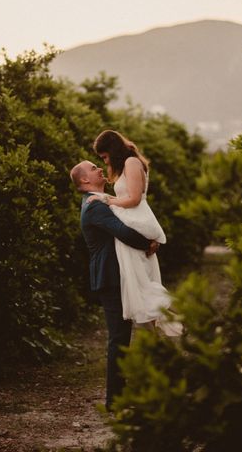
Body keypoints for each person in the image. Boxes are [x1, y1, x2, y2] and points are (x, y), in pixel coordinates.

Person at [70, 159, 159, 411]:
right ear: (85, 180)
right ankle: (115, 401)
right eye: (94, 168)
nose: (100, 169)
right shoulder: (94, 205)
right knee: (118, 337)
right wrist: (149, 243)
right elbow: (122, 230)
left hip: (115, 275)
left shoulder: (102, 200)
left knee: (122, 335)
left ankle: (119, 398)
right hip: (109, 277)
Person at [88, 130, 183, 337]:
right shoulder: (126, 165)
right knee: (138, 284)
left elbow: (134, 199)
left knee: (141, 284)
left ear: (112, 150)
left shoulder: (131, 162)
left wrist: (107, 200)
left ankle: (183, 317)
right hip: (130, 219)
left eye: (104, 157)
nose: (104, 162)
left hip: (136, 219)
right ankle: (160, 340)